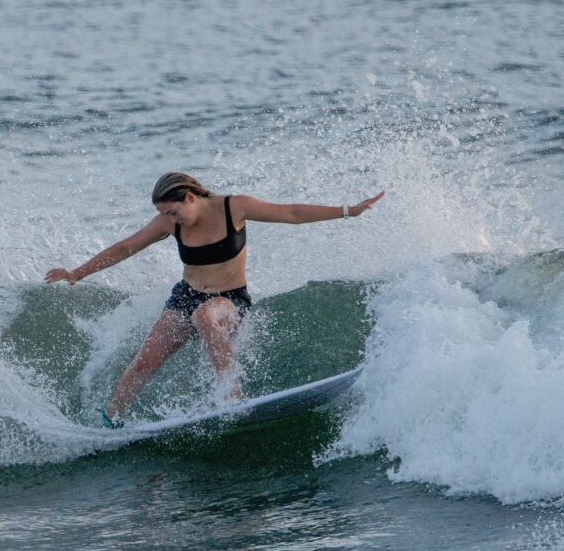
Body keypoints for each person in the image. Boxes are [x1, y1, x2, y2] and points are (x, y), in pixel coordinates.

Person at [44, 171, 385, 428]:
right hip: (185, 296)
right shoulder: (169, 222)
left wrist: (348, 211)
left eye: (174, 212)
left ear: (191, 197)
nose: (171, 220)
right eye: (166, 215)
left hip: (230, 300)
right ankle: (111, 422)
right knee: (146, 359)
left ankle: (230, 400)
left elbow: (292, 213)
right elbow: (126, 247)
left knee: (206, 318)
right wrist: (78, 273)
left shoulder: (233, 207)